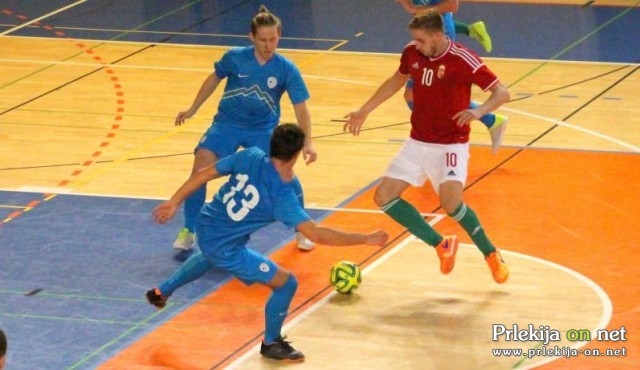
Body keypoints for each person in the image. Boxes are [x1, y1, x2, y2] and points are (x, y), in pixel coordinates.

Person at [147, 124, 389, 362]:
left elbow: (203, 173)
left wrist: (174, 202)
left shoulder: (250, 155)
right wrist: (365, 238)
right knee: (286, 284)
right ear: (295, 155)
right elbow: (316, 234)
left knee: (209, 254)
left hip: (207, 223)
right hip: (225, 246)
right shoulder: (283, 196)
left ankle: (160, 293)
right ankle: (271, 343)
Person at [344, 10, 509, 284]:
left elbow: (502, 92)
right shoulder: (412, 52)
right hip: (418, 141)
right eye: (415, 40)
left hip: (451, 145)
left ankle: (491, 254)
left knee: (451, 203)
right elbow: (396, 81)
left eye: (421, 40)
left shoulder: (462, 58)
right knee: (383, 197)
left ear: (437, 35)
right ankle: (441, 244)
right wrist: (364, 110)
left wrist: (480, 113)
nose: (416, 45)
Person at [172, 5, 317, 251]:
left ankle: (302, 230)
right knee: (200, 168)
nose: (269, 45)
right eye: (263, 40)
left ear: (279, 35)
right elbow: (214, 78)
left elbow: (301, 108)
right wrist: (193, 108)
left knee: (284, 175)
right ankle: (188, 230)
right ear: (251, 37)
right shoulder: (235, 57)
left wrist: (307, 142)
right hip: (226, 125)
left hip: (262, 130)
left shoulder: (286, 69)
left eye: (273, 39)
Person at [395, 0, 508, 154]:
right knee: (412, 94)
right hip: (427, 31)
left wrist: (420, 10)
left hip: (438, 35)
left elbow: (452, 5)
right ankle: (491, 121)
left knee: (433, 94)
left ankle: (440, 135)